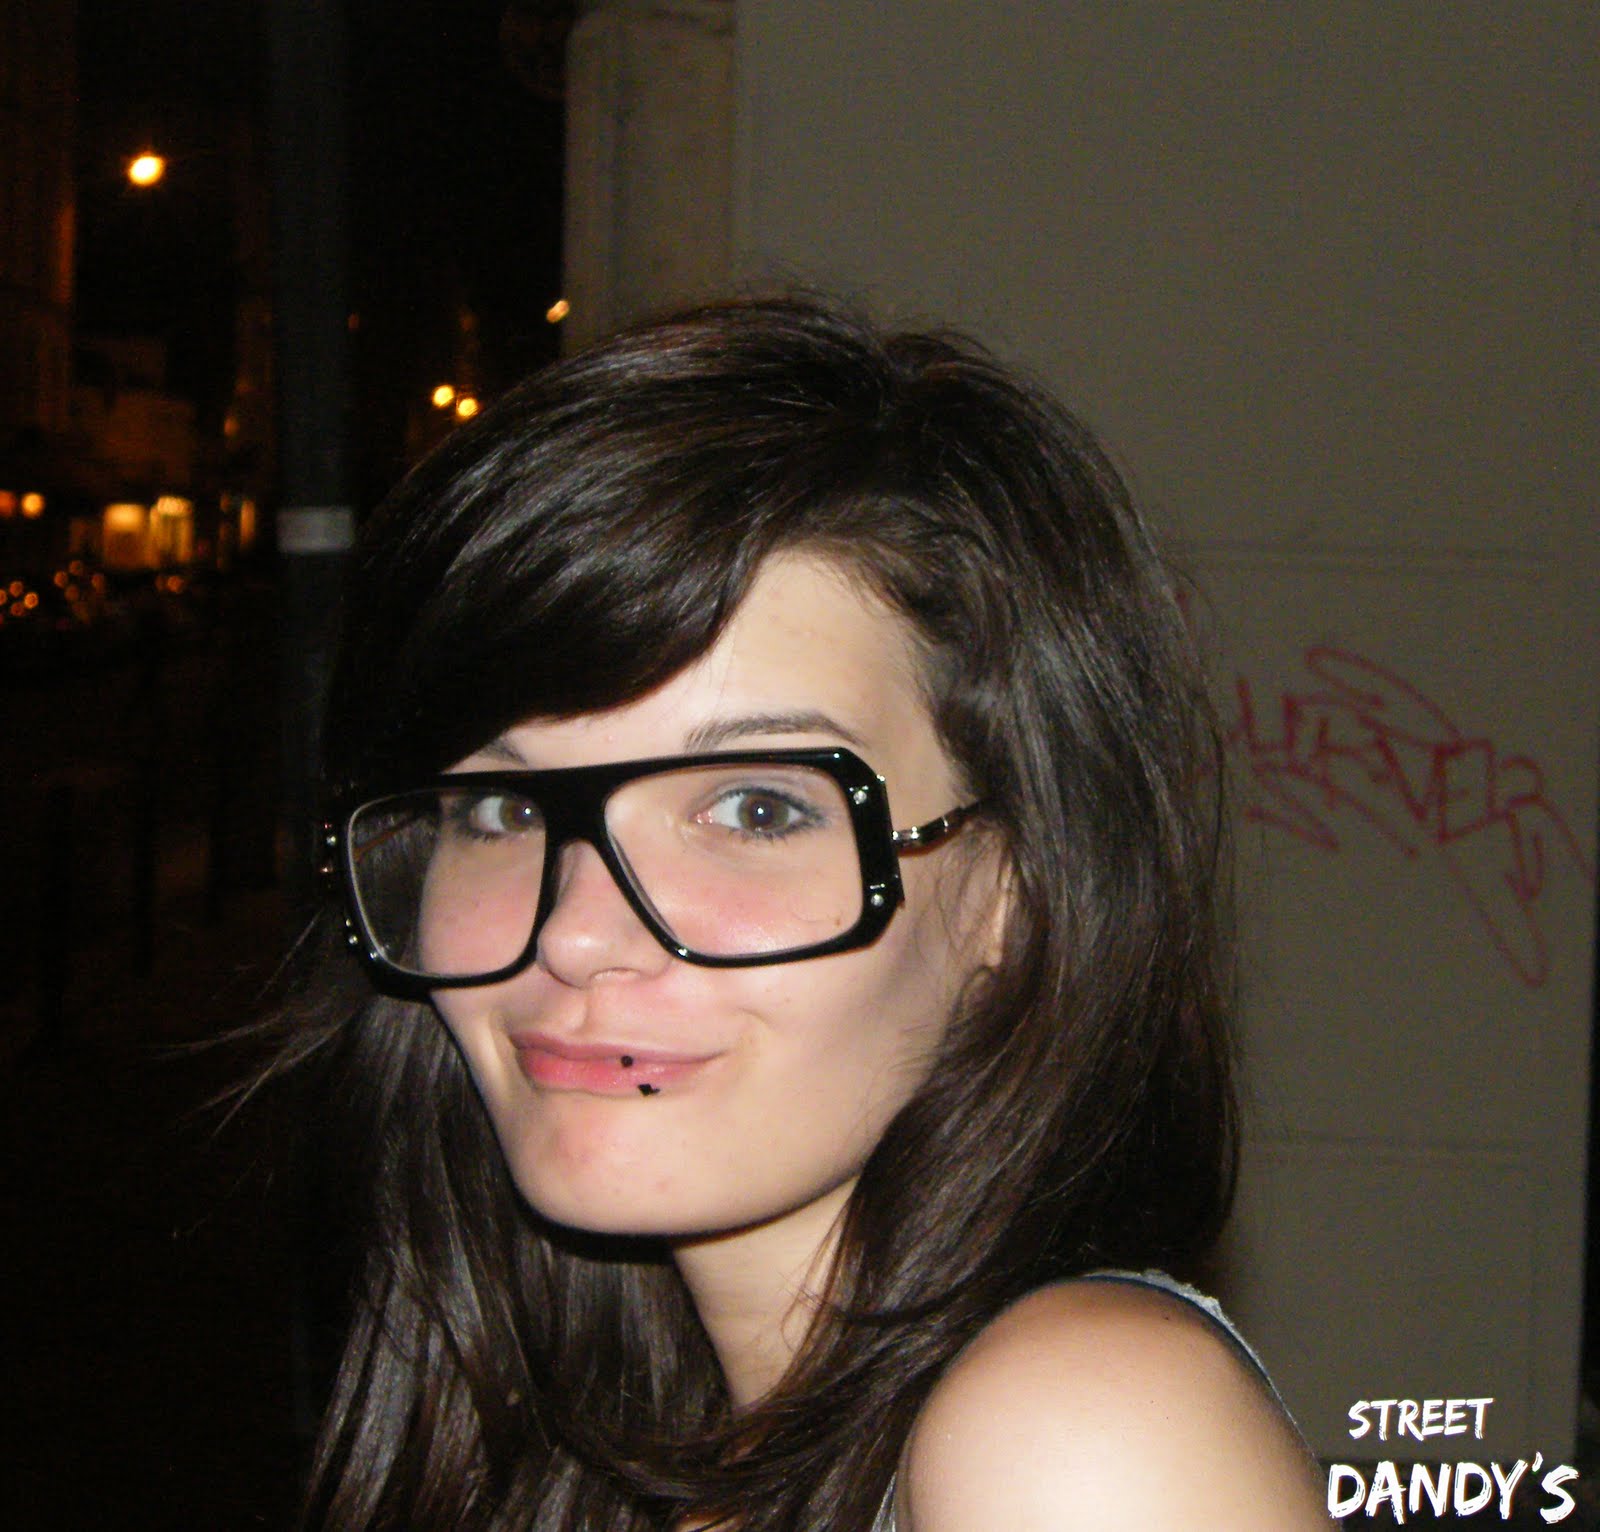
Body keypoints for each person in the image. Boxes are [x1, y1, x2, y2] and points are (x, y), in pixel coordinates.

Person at [285, 296, 1329, 1528]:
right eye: (504, 808)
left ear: (1013, 891)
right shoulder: (610, 1440)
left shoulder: (1078, 1438)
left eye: (755, 809)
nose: (573, 931)